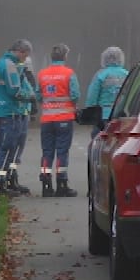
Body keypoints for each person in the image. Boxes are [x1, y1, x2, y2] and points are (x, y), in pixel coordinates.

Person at [0, 39, 35, 195]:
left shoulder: (8, 63)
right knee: (6, 147)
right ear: (20, 51)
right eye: (25, 55)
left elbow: (21, 83)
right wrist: (30, 97)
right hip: (10, 111)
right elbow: (15, 90)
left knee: (12, 147)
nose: (25, 59)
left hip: (10, 111)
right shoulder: (8, 65)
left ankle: (9, 178)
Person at [37, 44, 82, 197]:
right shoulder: (69, 74)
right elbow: (75, 95)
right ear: (65, 56)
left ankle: (46, 183)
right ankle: (61, 183)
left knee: (47, 151)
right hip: (64, 119)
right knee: (62, 151)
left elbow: (38, 96)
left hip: (47, 119)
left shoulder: (42, 74)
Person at [82, 46, 128, 138]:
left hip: (103, 116)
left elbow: (92, 98)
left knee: (97, 142)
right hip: (121, 116)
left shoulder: (100, 75)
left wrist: (90, 116)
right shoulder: (127, 74)